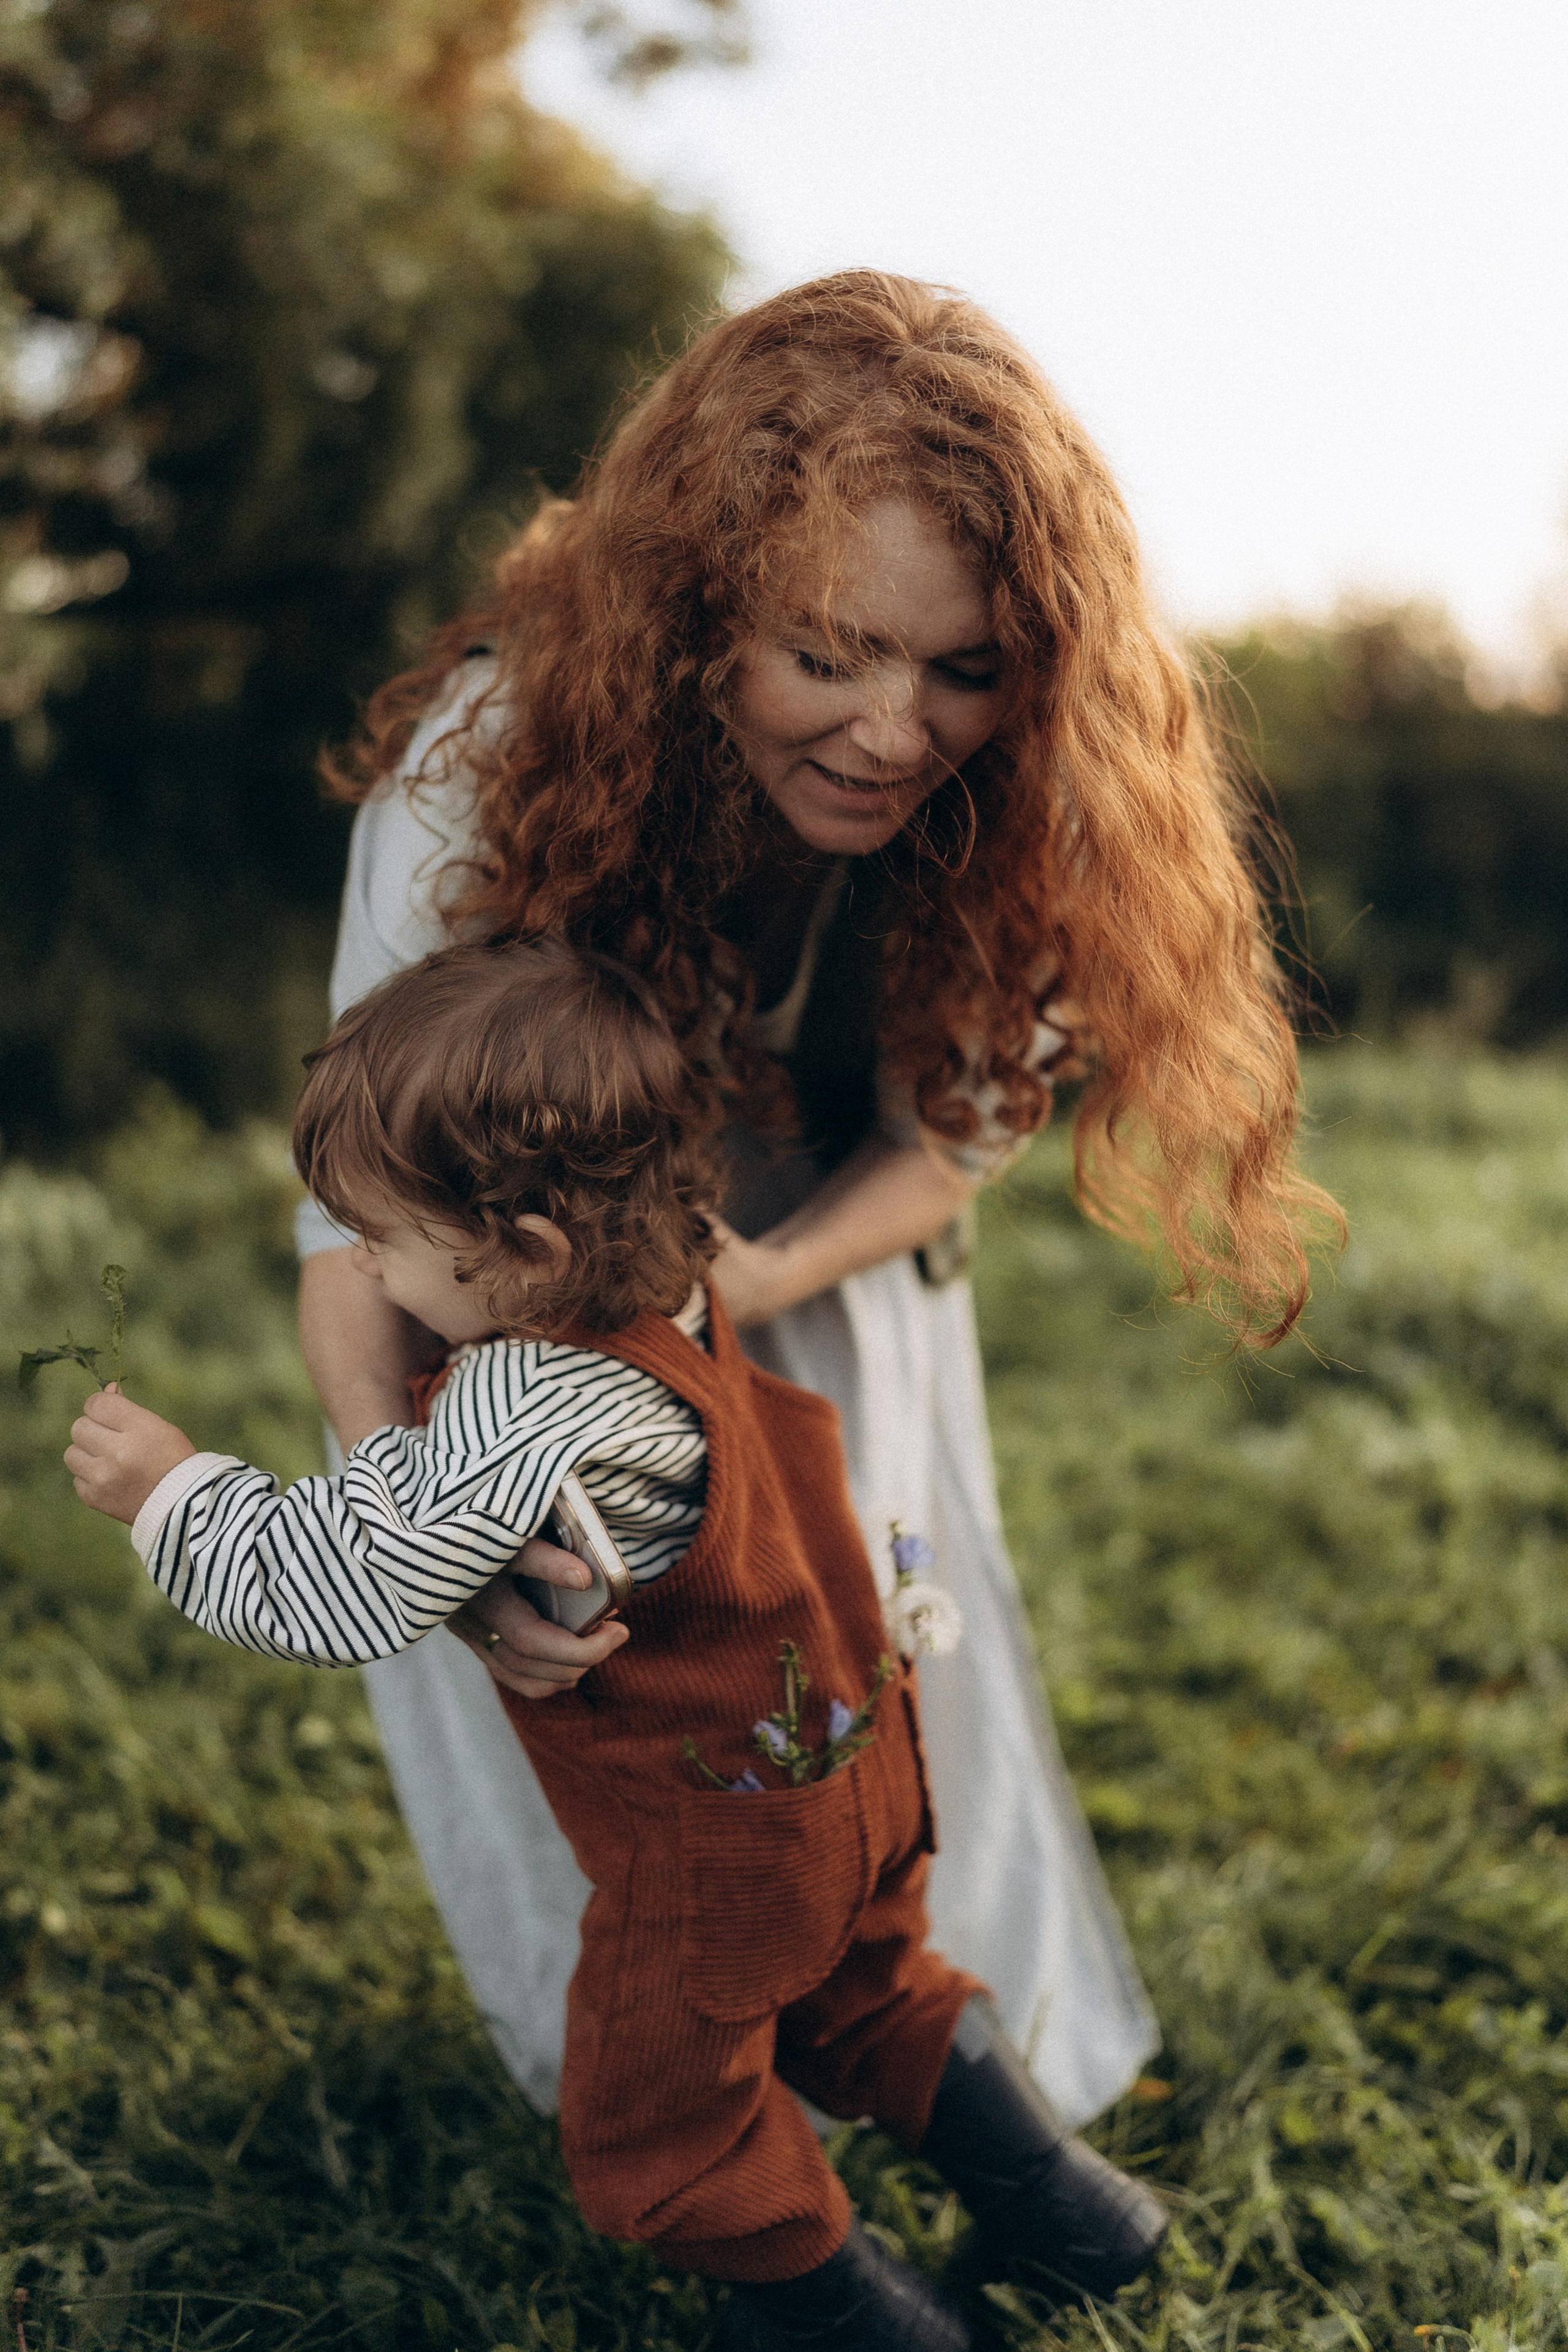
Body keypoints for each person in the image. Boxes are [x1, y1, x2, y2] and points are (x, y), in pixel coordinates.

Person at [296, 270, 1338, 2130]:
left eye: (961, 667)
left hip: (821, 1245)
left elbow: (954, 1131)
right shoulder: (486, 765)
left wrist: (767, 1274)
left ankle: (926, 2052)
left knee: (873, 1623)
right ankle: (671, 2092)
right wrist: (419, 1523)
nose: (890, 732)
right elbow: (361, 1227)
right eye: (829, 654)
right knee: (615, 1669)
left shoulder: (1034, 788)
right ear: (703, 618)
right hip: (512, 1309)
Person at [65, 937, 1168, 2350]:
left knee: (658, 2113)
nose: (372, 1274)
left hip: (711, 1842)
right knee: (862, 1991)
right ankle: (1066, 2211)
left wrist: (169, 1490)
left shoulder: (526, 1397)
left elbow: (339, 1586)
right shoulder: (680, 1277)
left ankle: (841, 2324)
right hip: (845, 1761)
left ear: (521, 1256)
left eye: (389, 1244)